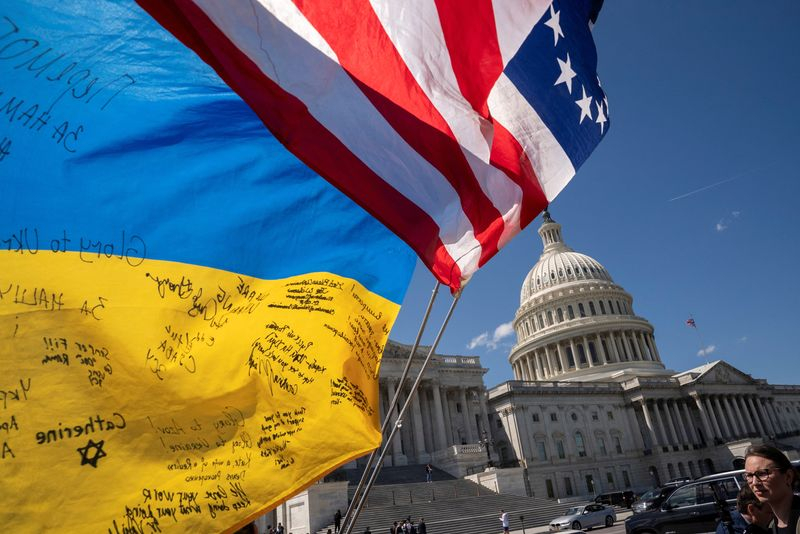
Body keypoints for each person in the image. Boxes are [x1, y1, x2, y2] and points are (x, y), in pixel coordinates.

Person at [744, 444, 800, 533]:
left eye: (762, 473)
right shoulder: (771, 526)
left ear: (788, 477)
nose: (754, 483)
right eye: (749, 476)